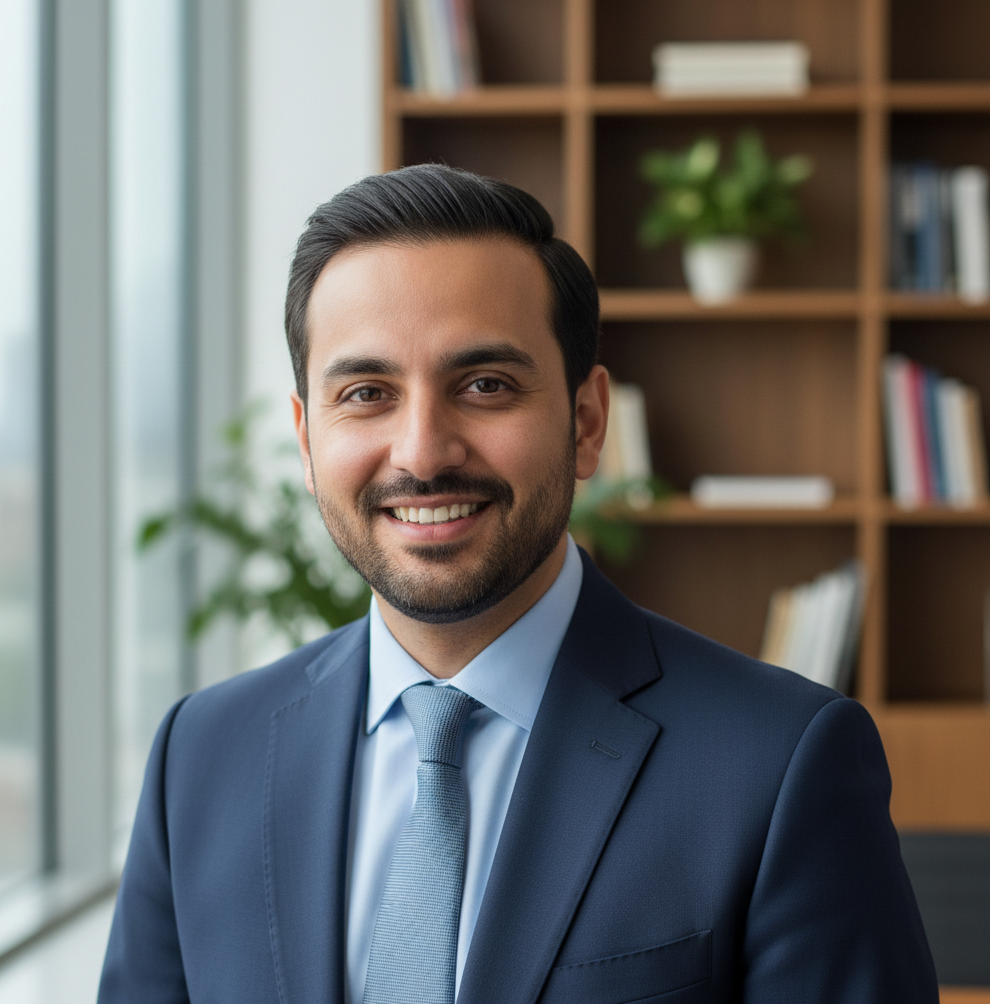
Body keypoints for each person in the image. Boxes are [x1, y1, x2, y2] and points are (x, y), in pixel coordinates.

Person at [99, 164, 937, 1003]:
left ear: (585, 422)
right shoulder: (200, 758)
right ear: (307, 439)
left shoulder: (780, 764)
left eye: (485, 386)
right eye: (366, 393)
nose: (423, 453)